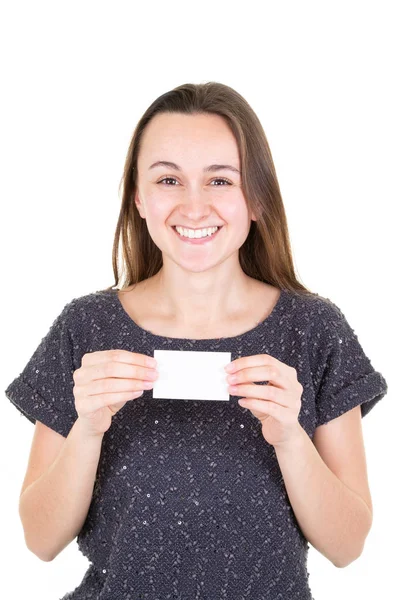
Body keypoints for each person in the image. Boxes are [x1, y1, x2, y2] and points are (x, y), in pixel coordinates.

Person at [5, 81, 388, 600]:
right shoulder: (86, 327)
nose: (193, 205)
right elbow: (39, 540)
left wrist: (291, 438)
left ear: (256, 198)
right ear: (139, 198)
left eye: (220, 181)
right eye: (168, 179)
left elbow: (348, 547)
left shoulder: (314, 330)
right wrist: (88, 430)